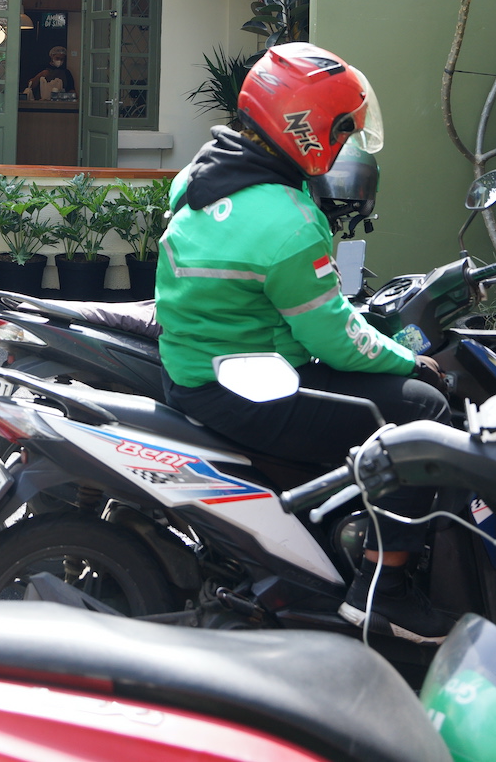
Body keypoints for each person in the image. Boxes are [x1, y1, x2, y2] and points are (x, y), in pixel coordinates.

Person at [155, 41, 453, 645]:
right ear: (306, 126)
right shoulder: (288, 219)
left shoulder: (201, 177)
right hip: (247, 387)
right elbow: (335, 340)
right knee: (425, 412)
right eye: (340, 129)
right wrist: (410, 360)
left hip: (195, 372)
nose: (342, 143)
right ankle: (383, 590)